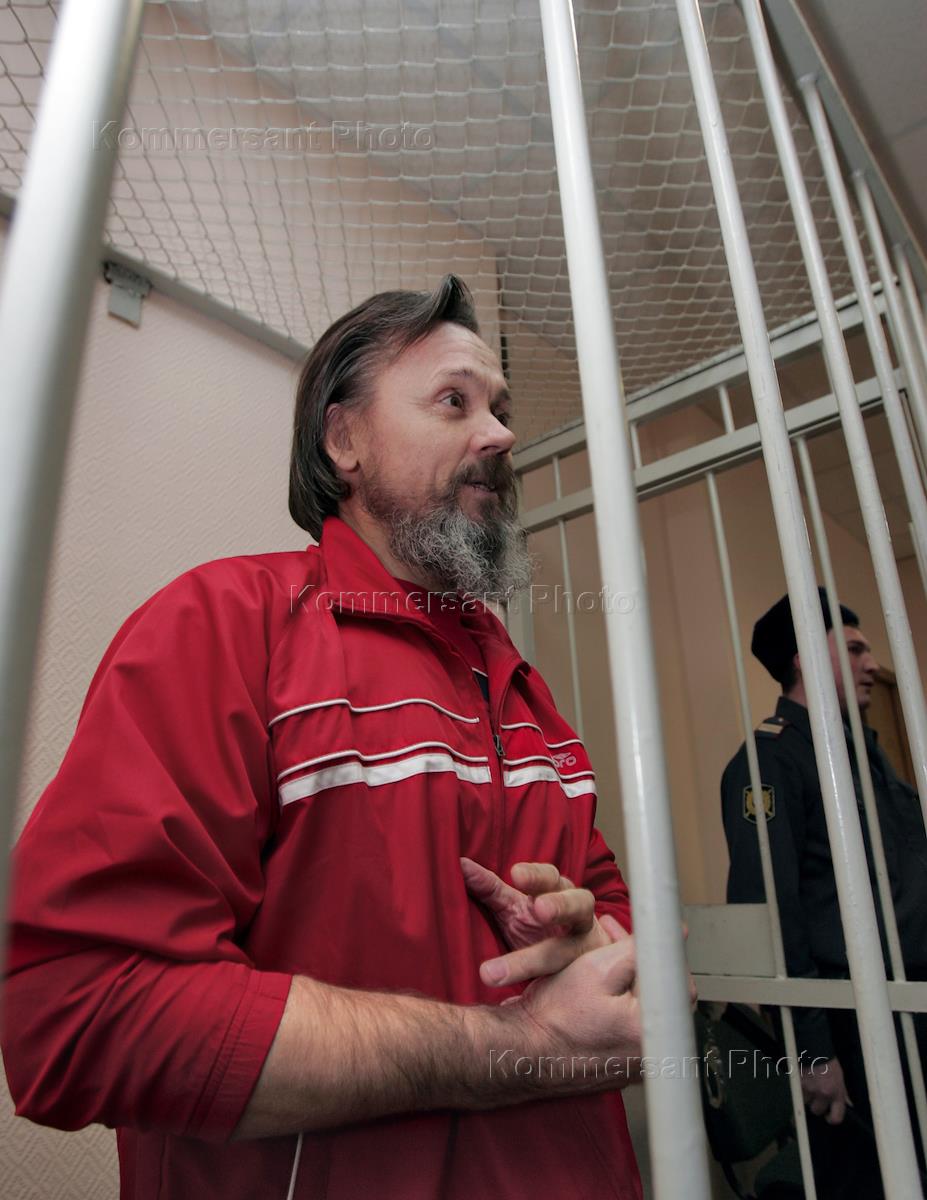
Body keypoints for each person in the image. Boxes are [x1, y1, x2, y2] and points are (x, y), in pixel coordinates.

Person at [2, 276, 646, 1200]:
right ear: (343, 440)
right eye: (454, 401)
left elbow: (624, 943)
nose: (500, 435)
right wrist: (523, 1045)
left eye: (501, 411)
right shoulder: (224, 626)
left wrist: (593, 944)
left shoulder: (522, 690)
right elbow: (78, 1012)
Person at [721, 589, 927, 1197]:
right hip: (852, 1024)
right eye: (855, 649)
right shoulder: (772, 761)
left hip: (906, 1003)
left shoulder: (864, 753)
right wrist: (811, 1051)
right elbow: (771, 911)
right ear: (807, 654)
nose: (872, 664)